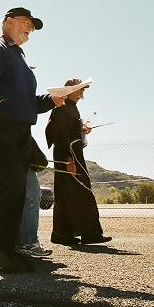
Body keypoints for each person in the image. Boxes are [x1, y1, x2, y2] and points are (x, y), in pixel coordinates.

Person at [0, 7, 64, 273]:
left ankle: (7, 247)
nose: (28, 29)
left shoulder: (19, 58)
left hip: (21, 129)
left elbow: (26, 103)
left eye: (31, 26)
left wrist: (50, 101)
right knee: (14, 185)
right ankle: (2, 250)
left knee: (17, 188)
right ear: (7, 21)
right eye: (25, 23)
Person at [45, 78, 112, 245]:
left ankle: (62, 233)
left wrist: (82, 130)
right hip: (69, 155)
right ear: (69, 91)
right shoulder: (62, 108)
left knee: (66, 192)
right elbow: (60, 135)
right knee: (82, 192)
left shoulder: (70, 108)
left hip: (70, 154)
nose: (82, 92)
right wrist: (68, 159)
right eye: (80, 89)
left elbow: (69, 131)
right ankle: (90, 233)